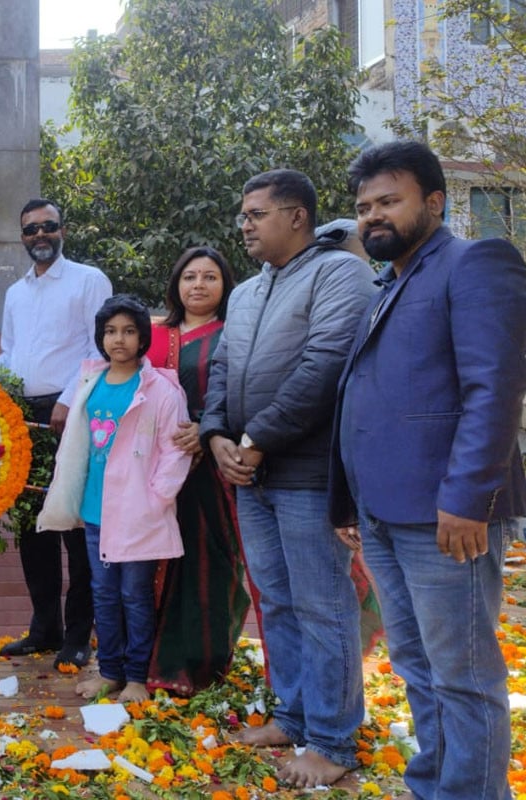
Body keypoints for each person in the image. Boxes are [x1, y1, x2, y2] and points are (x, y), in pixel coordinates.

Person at [330, 140, 526, 800]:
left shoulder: (476, 264)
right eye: (364, 207)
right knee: (417, 665)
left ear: (434, 203)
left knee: (463, 673)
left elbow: (493, 388)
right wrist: (349, 502)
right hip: (386, 514)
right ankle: (434, 785)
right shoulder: (391, 283)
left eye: (389, 201)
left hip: (449, 517)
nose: (373, 217)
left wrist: (470, 498)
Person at [199, 169, 376, 787]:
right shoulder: (247, 292)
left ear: (297, 216)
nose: (243, 224)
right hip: (250, 474)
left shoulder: (340, 274)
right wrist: (216, 436)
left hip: (305, 470)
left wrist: (256, 439)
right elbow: (220, 370)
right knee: (275, 600)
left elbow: (325, 364)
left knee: (323, 604)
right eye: (243, 214)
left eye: (256, 214)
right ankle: (294, 714)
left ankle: (332, 740)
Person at [37, 295, 191, 703]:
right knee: (103, 593)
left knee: (134, 595)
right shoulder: (92, 381)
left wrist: (157, 498)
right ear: (100, 337)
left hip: (139, 512)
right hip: (95, 511)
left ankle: (137, 677)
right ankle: (110, 671)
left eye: (128, 331)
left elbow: (175, 450)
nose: (118, 339)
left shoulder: (160, 389)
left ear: (143, 337)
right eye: (109, 331)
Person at [0, 198, 111, 669]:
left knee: (74, 528)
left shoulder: (88, 280)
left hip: (71, 415)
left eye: (48, 227)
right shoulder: (15, 292)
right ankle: (44, 629)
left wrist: (68, 397)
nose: (39, 235)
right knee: (30, 529)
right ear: (21, 236)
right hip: (22, 418)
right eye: (30, 229)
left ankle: (79, 637)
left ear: (62, 230)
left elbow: (103, 349)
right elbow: (10, 355)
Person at [143, 247, 253, 696]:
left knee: (207, 563)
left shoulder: (235, 334)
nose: (199, 285)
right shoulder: (151, 335)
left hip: (209, 469)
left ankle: (199, 666)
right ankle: (143, 661)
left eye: (210, 277)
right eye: (190, 276)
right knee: (149, 562)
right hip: (151, 464)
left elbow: (246, 390)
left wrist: (208, 430)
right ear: (176, 283)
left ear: (225, 286)